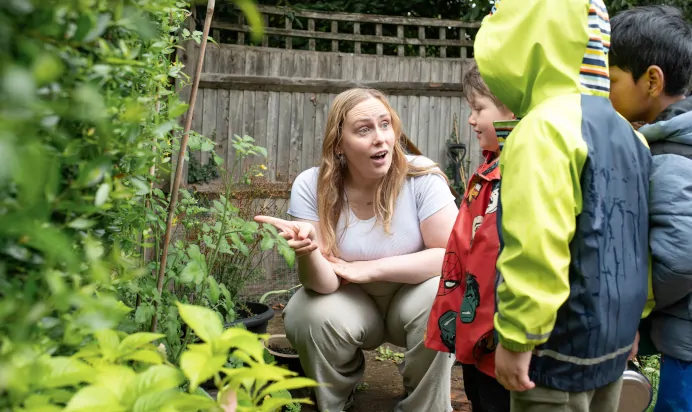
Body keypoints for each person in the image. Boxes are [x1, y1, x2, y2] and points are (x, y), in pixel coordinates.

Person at [472, 0, 653, 411]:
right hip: (613, 340)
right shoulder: (630, 135)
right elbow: (636, 242)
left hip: (554, 352)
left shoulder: (543, 130)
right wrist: (634, 322)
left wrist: (519, 336)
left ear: (527, 37)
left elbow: (536, 244)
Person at [255, 88, 458, 412]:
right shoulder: (312, 185)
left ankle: (424, 404)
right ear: (339, 143)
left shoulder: (421, 176)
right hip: (350, 301)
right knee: (306, 311)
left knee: (446, 292)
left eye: (385, 124)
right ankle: (334, 399)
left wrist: (370, 269)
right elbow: (323, 284)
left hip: (411, 297)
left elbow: (451, 256)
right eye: (364, 129)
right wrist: (308, 251)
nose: (380, 138)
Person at [609, 6, 692, 412]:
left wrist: (633, 315)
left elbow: (679, 258)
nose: (606, 91)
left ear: (652, 80)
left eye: (612, 79)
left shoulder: (671, 156)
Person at [426, 61, 516, 412]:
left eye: (479, 108)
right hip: (473, 330)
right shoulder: (489, 167)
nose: (471, 119)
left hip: (501, 335)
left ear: (510, 107)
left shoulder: (520, 171)